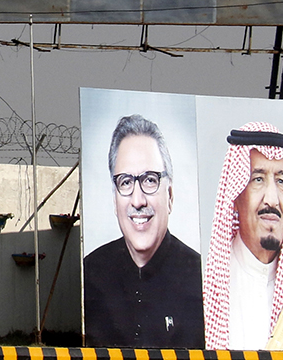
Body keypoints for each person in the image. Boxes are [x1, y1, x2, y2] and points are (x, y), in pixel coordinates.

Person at [201, 122, 283, 350]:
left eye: (281, 181)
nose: (272, 200)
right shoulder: (205, 286)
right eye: (258, 179)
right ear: (235, 195)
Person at [83, 114, 203, 348]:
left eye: (149, 180)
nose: (138, 201)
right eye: (126, 182)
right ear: (115, 199)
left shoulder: (200, 278)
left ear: (170, 195)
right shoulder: (90, 273)